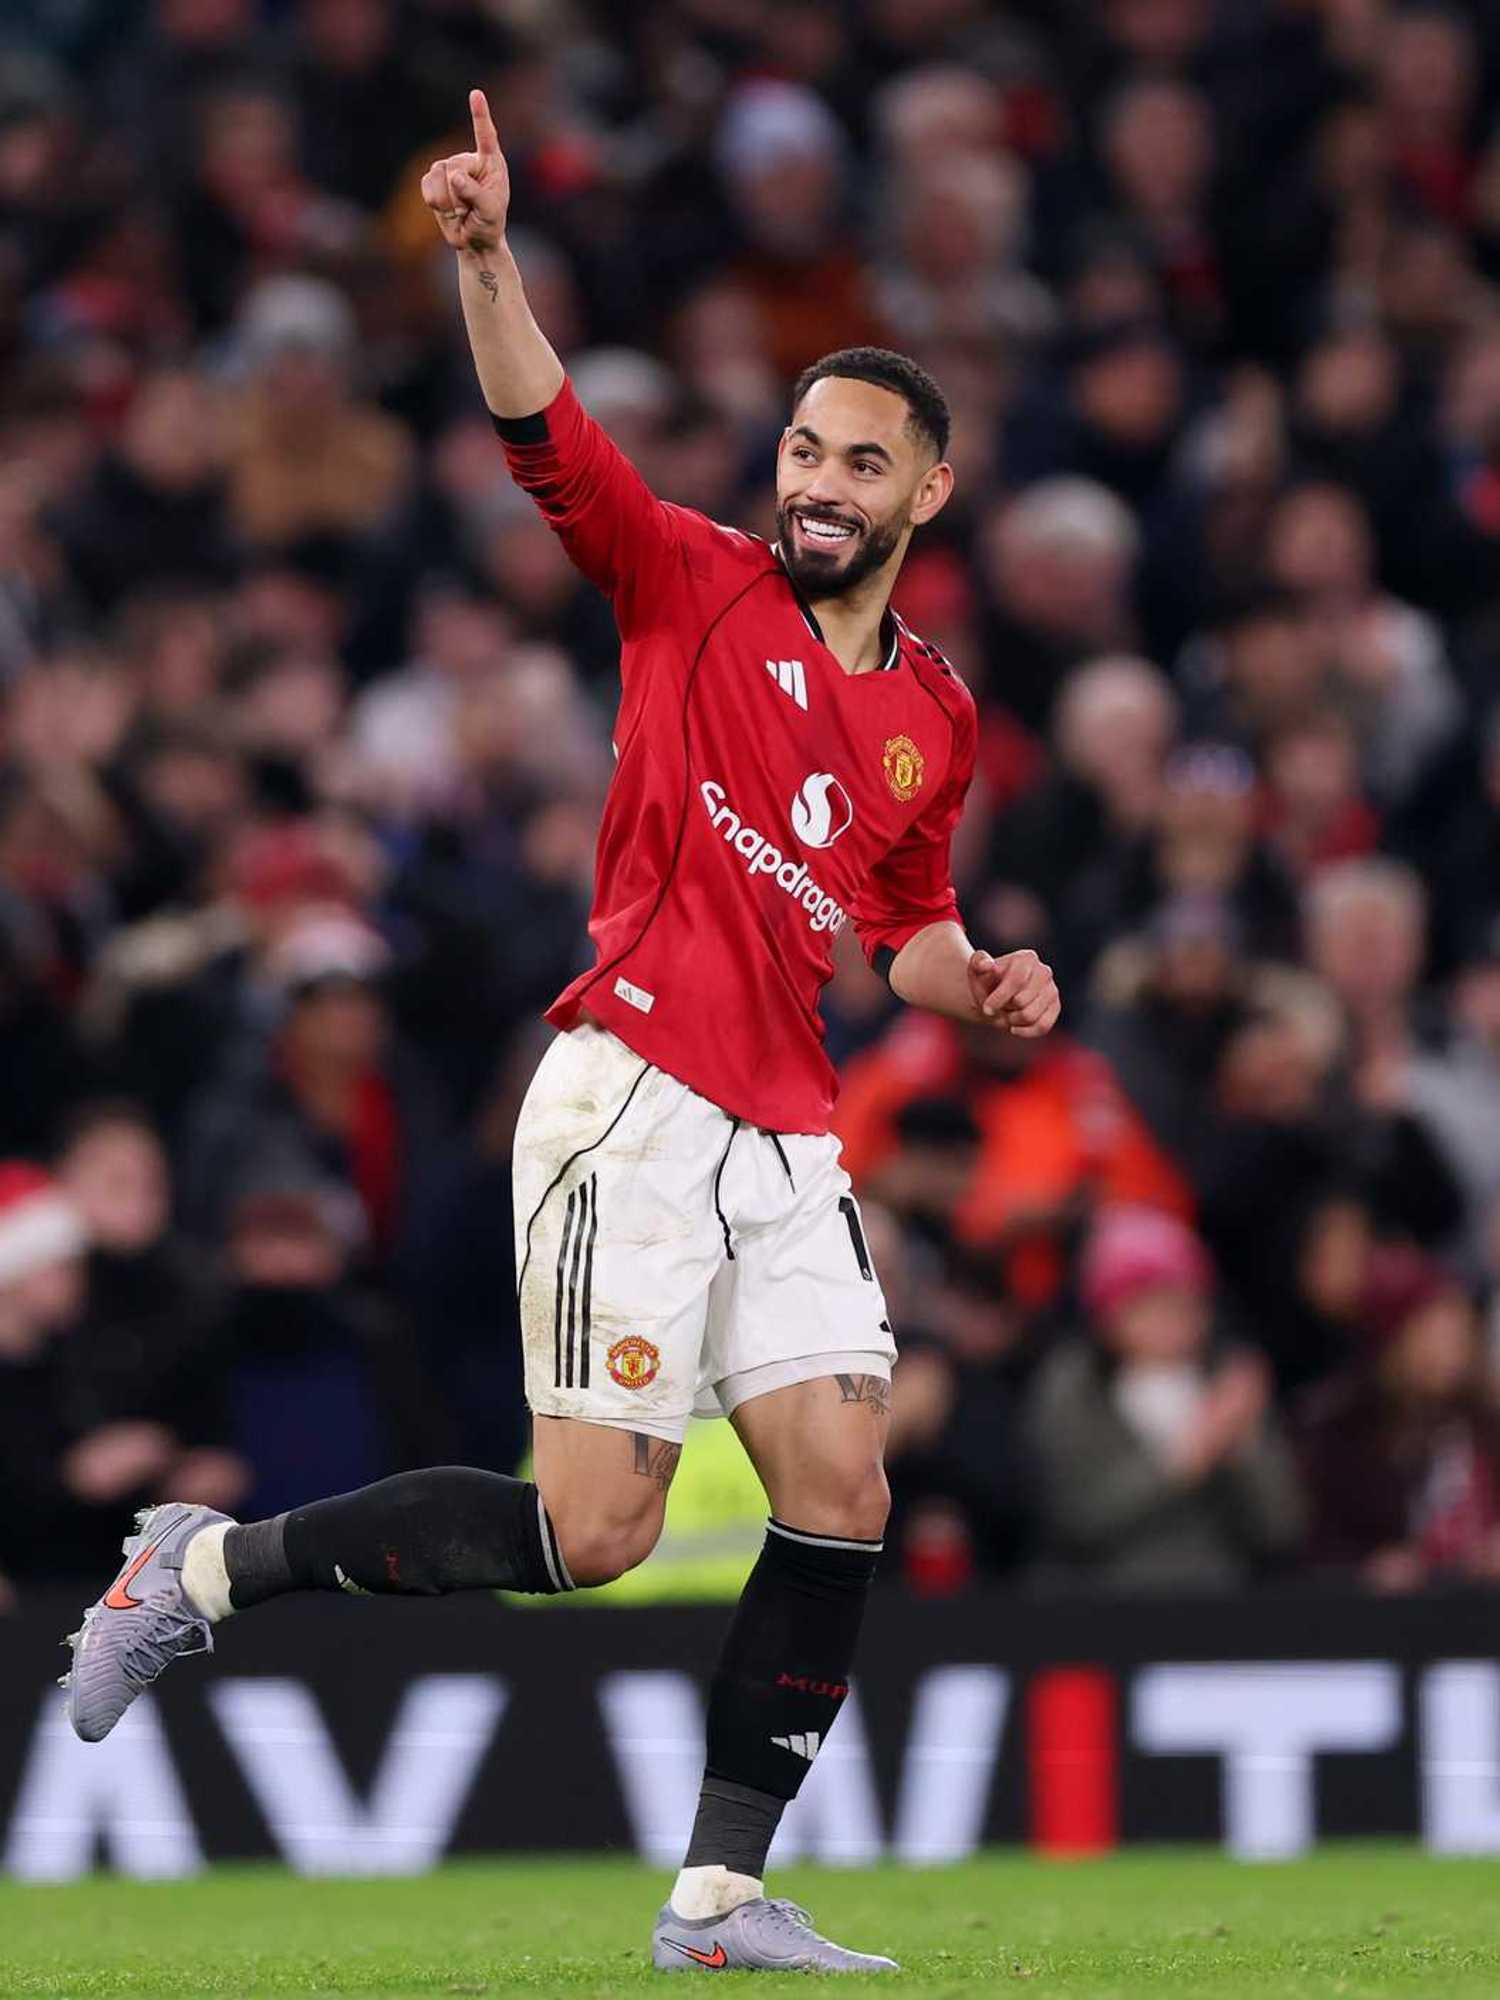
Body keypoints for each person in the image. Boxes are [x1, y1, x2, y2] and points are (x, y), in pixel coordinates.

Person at [63, 89, 1059, 1978]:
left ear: (929, 491)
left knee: (845, 1485)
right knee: (594, 1534)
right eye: (802, 444)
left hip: (790, 1130)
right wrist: (485, 254)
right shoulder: (690, 584)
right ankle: (195, 1569)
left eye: (863, 458)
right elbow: (545, 427)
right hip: (637, 1102)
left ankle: (715, 1897)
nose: (821, 478)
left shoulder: (933, 711)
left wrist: (984, 980)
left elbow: (902, 925)